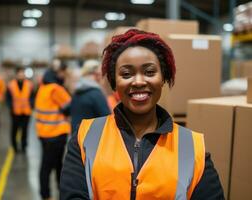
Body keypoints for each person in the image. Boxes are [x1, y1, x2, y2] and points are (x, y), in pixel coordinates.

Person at [60, 29, 224, 199]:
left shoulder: (192, 148)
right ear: (114, 82)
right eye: (126, 74)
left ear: (164, 78)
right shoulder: (86, 136)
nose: (138, 81)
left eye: (149, 72)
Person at [35, 68, 71, 200]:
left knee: (55, 164)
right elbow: (69, 106)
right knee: (49, 166)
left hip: (43, 133)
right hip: (56, 133)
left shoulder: (42, 88)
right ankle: (46, 195)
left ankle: (55, 191)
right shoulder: (55, 88)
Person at [69, 59, 111, 134]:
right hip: (90, 139)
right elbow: (107, 117)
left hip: (76, 136)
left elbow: (68, 110)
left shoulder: (77, 91)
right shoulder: (96, 94)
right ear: (96, 74)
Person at [6, 67, 34, 153]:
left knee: (25, 130)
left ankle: (24, 146)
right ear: (16, 75)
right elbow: (8, 98)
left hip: (26, 112)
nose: (21, 75)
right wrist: (11, 107)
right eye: (19, 74)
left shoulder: (29, 84)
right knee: (14, 130)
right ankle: (14, 147)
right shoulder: (11, 85)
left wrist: (31, 105)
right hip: (15, 112)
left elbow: (33, 97)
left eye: (22, 74)